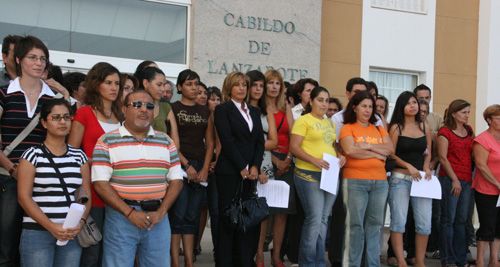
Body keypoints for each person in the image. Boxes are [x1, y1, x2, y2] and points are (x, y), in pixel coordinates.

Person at [92, 90, 183, 267]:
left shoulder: (166, 141)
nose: (144, 110)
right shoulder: (107, 141)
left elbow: (177, 181)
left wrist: (162, 211)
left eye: (149, 106)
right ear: (124, 109)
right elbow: (100, 184)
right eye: (137, 105)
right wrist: (130, 213)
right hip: (121, 218)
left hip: (158, 217)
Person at [0, 35, 56, 266]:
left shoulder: (54, 100)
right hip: (9, 177)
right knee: (6, 245)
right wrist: (11, 168)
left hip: (44, 180)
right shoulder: (4, 94)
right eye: (33, 57)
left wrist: (60, 88)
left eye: (43, 58)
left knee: (38, 244)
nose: (38, 63)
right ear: (19, 59)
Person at [17, 98, 91, 267]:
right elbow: (24, 197)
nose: (63, 121)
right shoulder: (32, 155)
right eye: (56, 117)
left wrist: (80, 223)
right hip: (37, 232)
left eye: (66, 117)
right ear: (44, 122)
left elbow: (85, 194)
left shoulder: (79, 156)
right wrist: (51, 226)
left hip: (71, 233)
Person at [67, 62, 123, 267]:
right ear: (96, 84)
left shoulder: (122, 117)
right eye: (108, 82)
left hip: (118, 192)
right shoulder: (84, 113)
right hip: (92, 189)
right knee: (92, 250)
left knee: (114, 250)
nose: (114, 87)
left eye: (117, 83)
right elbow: (72, 152)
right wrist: (96, 162)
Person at [289, 86, 345, 266]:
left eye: (326, 100)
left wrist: (340, 156)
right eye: (320, 100)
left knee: (323, 219)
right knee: (314, 219)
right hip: (308, 174)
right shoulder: (303, 121)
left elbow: (332, 145)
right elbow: (294, 147)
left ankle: (319, 261)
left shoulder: (329, 122)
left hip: (329, 174)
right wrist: (314, 160)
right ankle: (307, 262)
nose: (324, 103)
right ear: (311, 101)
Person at [214, 71, 265, 267]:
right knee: (229, 219)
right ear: (229, 88)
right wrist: (242, 166)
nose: (242, 88)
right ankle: (225, 262)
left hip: (250, 174)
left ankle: (244, 261)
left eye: (245, 84)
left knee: (247, 219)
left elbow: (259, 142)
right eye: (237, 85)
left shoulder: (253, 111)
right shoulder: (223, 109)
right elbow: (227, 141)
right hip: (229, 172)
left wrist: (254, 166)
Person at [339, 90, 393, 267]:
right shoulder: (347, 128)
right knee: (356, 226)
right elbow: (350, 151)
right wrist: (377, 153)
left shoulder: (379, 128)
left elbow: (390, 150)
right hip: (355, 181)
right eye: (364, 106)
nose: (368, 110)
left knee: (375, 226)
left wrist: (368, 146)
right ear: (355, 107)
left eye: (370, 106)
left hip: (380, 182)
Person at [170, 69, 214, 267]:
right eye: (189, 84)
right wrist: (186, 165)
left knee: (192, 216)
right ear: (179, 87)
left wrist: (204, 169)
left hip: (199, 167)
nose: (194, 87)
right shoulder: (173, 108)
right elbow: (170, 142)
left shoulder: (205, 110)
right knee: (178, 215)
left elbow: (210, 143)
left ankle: (189, 260)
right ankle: (174, 262)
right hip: (179, 165)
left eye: (196, 83)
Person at [388, 91, 433, 267]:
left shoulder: (424, 126)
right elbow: (390, 154)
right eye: (408, 103)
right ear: (402, 106)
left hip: (421, 180)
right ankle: (401, 261)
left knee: (424, 224)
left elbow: (428, 151)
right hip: (400, 179)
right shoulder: (396, 127)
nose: (413, 106)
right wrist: (408, 166)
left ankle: (420, 261)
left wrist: (427, 166)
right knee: (399, 222)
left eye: (414, 102)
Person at [247, 69, 279, 267]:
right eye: (255, 85)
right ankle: (245, 252)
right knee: (246, 209)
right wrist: (256, 144)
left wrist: (255, 144)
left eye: (261, 86)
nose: (258, 89)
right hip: (244, 163)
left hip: (265, 163)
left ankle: (259, 253)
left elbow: (274, 141)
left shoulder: (266, 109)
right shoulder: (239, 108)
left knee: (262, 211)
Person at [437, 99, 474, 266]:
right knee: (448, 219)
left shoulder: (469, 130)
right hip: (450, 179)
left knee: (462, 220)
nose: (467, 115)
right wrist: (454, 180)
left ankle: (460, 258)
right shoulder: (445, 132)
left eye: (468, 112)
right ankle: (448, 258)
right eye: (464, 112)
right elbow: (443, 158)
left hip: (467, 180)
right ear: (454, 113)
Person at [472, 104, 500, 267]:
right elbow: (481, 165)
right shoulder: (482, 139)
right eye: (498, 118)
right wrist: (497, 183)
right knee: (487, 225)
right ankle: (480, 260)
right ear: (489, 120)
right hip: (487, 189)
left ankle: (494, 260)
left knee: (498, 226)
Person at [136, 66, 179, 147]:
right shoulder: (134, 106)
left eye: (164, 85)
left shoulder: (166, 107)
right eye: (159, 85)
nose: (163, 89)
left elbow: (175, 141)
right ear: (145, 83)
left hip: (163, 156)